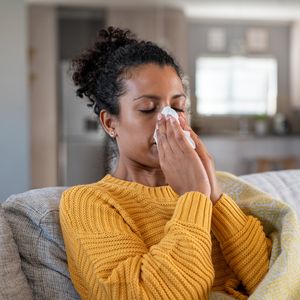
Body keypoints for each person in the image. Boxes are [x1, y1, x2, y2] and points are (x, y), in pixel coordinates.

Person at [59, 27, 271, 300]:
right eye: (148, 108)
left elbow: (274, 280)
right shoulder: (88, 203)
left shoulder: (212, 189)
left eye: (179, 108)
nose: (169, 120)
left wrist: (215, 198)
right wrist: (194, 198)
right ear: (110, 123)